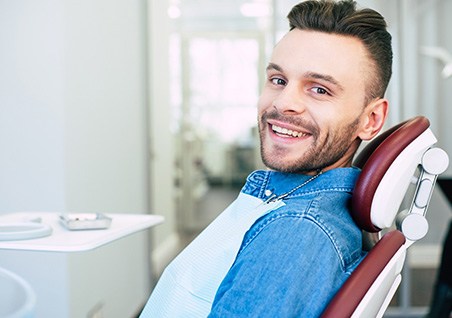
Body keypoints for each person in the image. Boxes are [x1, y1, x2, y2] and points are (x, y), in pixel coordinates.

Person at [140, 0, 392, 316]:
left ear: (370, 120)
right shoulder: (288, 202)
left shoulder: (296, 233)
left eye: (320, 90)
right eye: (278, 80)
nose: (284, 103)